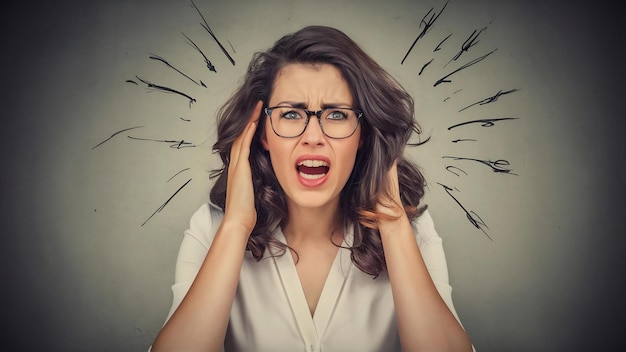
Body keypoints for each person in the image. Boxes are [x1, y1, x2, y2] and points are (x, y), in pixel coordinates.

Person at [151, 25, 473, 352]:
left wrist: (392, 225)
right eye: (292, 114)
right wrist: (236, 226)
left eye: (336, 114)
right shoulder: (210, 229)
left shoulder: (414, 233)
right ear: (261, 133)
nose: (314, 136)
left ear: (363, 134)